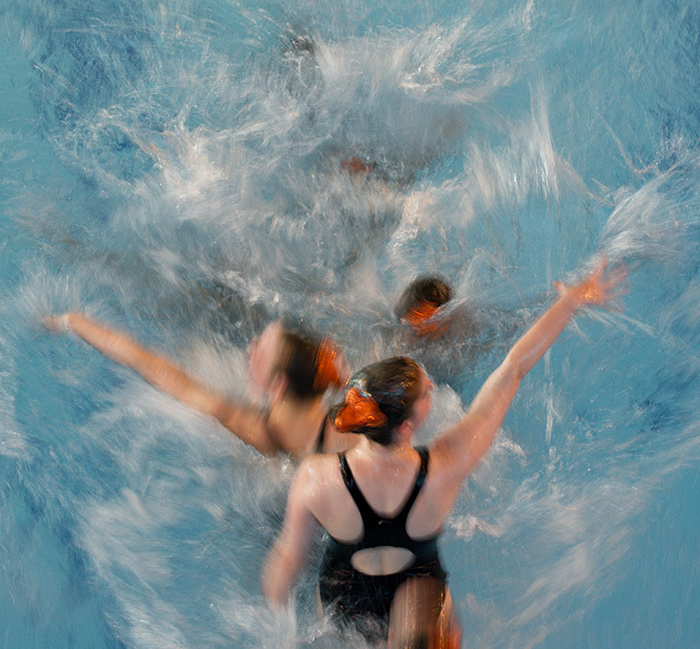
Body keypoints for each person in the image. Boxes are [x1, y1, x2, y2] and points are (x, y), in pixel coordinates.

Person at [262, 257, 627, 643]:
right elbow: (514, 367)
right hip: (418, 598)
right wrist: (571, 301)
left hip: (344, 598)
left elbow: (288, 561)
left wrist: (274, 628)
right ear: (406, 427)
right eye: (425, 390)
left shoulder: (315, 475)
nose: (433, 387)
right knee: (431, 609)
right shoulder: (446, 465)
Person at [45, 315, 355, 457]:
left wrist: (72, 322)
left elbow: (155, 369)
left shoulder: (252, 427)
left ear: (278, 387)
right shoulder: (349, 429)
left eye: (259, 350)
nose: (251, 346)